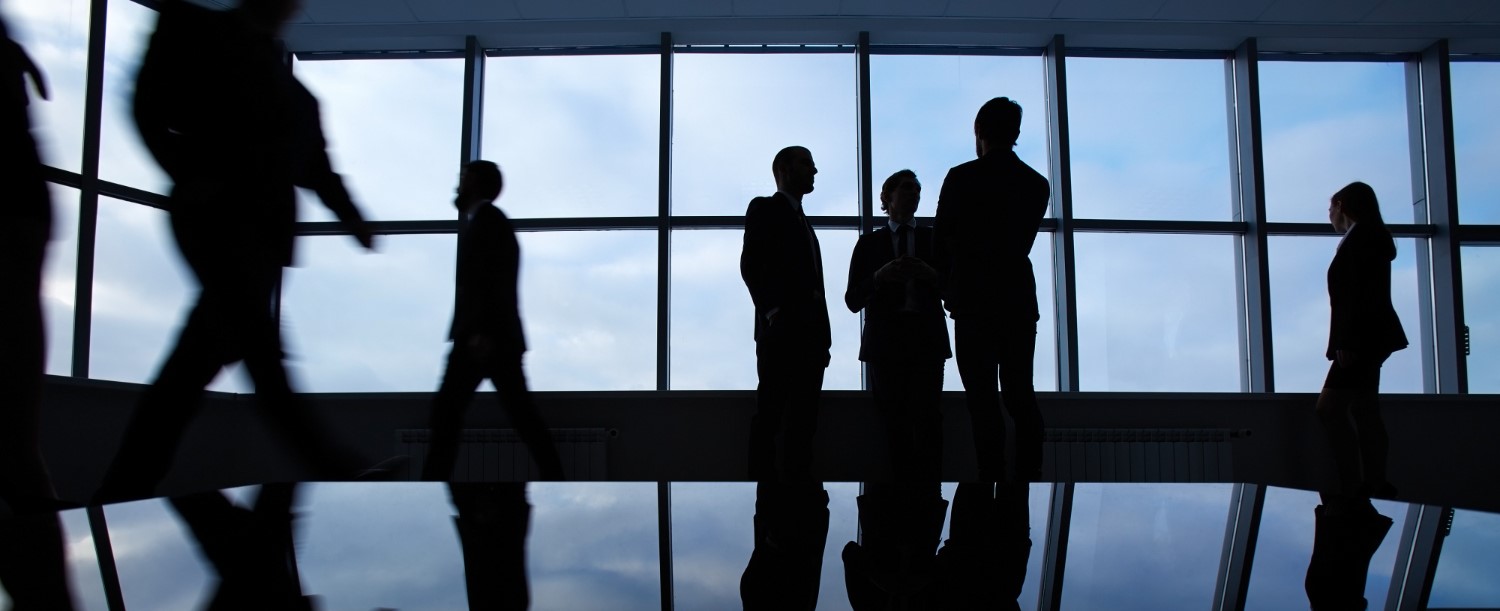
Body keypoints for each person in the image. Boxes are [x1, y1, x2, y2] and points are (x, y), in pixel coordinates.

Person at [94, 0, 383, 503]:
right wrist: (189, 173)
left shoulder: (294, 93)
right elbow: (146, 106)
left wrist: (353, 217)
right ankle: (322, 461)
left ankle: (128, 482)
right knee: (259, 349)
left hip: (257, 233)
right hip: (220, 222)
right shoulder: (197, 31)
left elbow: (316, 167)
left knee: (201, 360)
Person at [422, 160, 563, 482]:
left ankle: (431, 482)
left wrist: (480, 332)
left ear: (476, 183)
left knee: (447, 416)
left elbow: (488, 280)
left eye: (463, 178)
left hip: (482, 337)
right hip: (493, 336)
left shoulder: (487, 222)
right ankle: (555, 474)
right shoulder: (491, 221)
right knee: (520, 417)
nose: (458, 184)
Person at [933, 97, 1050, 482]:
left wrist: (951, 286)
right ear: (1015, 133)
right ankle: (1028, 480)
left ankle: (990, 481)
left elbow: (942, 243)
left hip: (973, 304)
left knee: (982, 399)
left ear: (979, 132)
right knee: (1020, 394)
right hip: (1016, 300)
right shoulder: (1035, 184)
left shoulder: (961, 177)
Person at [845, 169, 950, 482]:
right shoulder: (868, 245)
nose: (914, 194)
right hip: (888, 346)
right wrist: (879, 277)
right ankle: (905, 495)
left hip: (924, 343)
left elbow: (955, 288)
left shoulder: (934, 239)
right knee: (896, 423)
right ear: (886, 197)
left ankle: (924, 498)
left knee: (928, 421)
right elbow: (852, 299)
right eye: (906, 189)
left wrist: (930, 275)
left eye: (917, 190)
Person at [741, 146, 832, 482]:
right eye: (806, 163)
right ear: (783, 169)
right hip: (782, 335)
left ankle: (793, 506)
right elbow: (750, 265)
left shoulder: (801, 220)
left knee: (802, 424)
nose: (814, 170)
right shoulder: (765, 208)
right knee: (772, 418)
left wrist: (822, 339)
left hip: (806, 338)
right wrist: (775, 314)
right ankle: (767, 510)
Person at [1318, 181, 1408, 502]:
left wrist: (1347, 341)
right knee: (1364, 408)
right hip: (1371, 338)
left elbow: (1356, 298)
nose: (1328, 216)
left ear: (1341, 205)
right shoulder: (1368, 237)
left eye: (1330, 208)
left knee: (1330, 408)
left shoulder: (1361, 240)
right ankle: (1373, 481)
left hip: (1361, 339)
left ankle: (1355, 483)